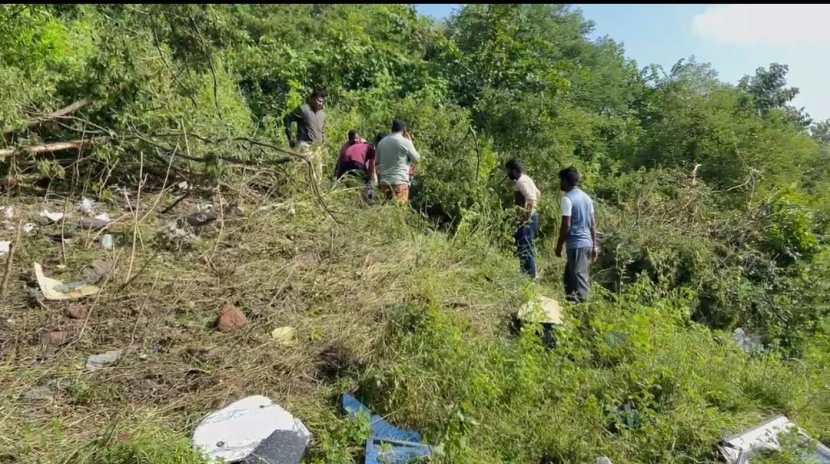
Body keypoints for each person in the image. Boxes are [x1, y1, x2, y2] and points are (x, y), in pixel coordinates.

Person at [554, 166, 598, 303]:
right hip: (587, 243)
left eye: (561, 180)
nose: (560, 183)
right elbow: (593, 224)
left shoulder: (567, 199)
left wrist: (559, 246)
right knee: (569, 278)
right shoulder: (586, 198)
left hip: (576, 245)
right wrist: (594, 245)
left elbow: (566, 225)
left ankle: (584, 312)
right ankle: (572, 306)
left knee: (579, 279)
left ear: (566, 181)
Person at [505, 159, 541, 280]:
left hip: (528, 219)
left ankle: (530, 277)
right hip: (532, 217)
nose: (507, 173)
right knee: (525, 246)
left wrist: (526, 216)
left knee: (525, 247)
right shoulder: (527, 179)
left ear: (514, 170)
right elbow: (538, 193)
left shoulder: (521, 181)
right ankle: (527, 274)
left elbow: (531, 199)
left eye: (508, 170)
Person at [284, 88, 327, 183]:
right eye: (318, 100)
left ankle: (314, 195)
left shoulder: (322, 114)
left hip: (317, 147)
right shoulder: (303, 109)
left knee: (318, 173)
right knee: (303, 170)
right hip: (304, 145)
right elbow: (287, 119)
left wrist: (323, 142)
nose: (320, 103)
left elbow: (322, 130)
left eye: (322, 101)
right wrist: (290, 137)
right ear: (312, 98)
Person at [375, 119, 420, 204]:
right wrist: (410, 141)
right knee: (399, 211)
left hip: (384, 183)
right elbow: (416, 159)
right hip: (400, 183)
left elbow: (377, 161)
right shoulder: (405, 142)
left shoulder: (381, 142)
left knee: (385, 211)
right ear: (404, 130)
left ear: (392, 129)